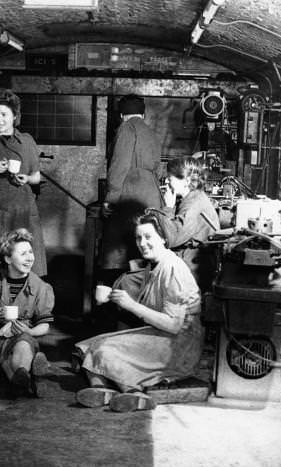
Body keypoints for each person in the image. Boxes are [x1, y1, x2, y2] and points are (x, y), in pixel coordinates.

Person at [74, 214, 203, 412]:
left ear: (163, 238)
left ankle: (134, 393)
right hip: (164, 335)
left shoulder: (173, 268)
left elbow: (174, 325)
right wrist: (114, 298)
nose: (143, 244)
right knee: (88, 346)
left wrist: (131, 305)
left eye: (148, 237)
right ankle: (102, 390)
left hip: (180, 344)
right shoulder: (154, 265)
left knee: (104, 348)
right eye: (139, 238)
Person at [0, 228, 55, 397]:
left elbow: (44, 325)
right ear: (7, 258)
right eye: (23, 254)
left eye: (30, 252)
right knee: (5, 353)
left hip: (22, 336)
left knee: (23, 343)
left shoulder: (41, 287)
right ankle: (26, 377)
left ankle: (18, 378)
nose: (30, 258)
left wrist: (29, 330)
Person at [0, 88, 47, 277]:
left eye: (4, 114)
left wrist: (28, 178)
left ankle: (25, 305)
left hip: (26, 212)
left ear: (15, 116)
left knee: (28, 267)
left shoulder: (27, 141)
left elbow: (37, 175)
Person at [101, 94, 164, 277]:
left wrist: (110, 199)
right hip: (151, 194)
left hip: (130, 192)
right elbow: (158, 169)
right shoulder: (151, 132)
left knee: (120, 249)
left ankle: (119, 289)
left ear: (121, 115)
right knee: (144, 246)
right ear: (143, 115)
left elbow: (119, 166)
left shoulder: (126, 129)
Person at [152, 156, 219, 289]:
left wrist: (168, 208)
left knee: (133, 282)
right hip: (190, 259)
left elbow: (174, 239)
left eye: (170, 178)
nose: (167, 181)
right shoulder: (192, 197)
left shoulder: (193, 203)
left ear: (186, 180)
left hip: (193, 266)